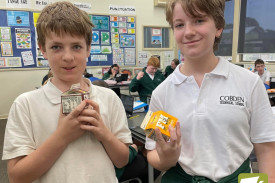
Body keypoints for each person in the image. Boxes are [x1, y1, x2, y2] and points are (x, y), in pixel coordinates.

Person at [145, 0, 275, 182]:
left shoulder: (250, 83)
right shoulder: (161, 93)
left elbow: (267, 147)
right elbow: (152, 151)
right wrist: (166, 157)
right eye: (180, 25)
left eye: (199, 20)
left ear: (219, 26)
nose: (189, 32)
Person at [2, 2, 132, 183]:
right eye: (56, 47)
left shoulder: (109, 98)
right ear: (42, 49)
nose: (68, 57)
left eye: (76, 46)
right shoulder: (25, 105)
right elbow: (17, 177)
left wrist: (104, 133)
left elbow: (122, 160)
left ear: (88, 48)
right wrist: (63, 136)